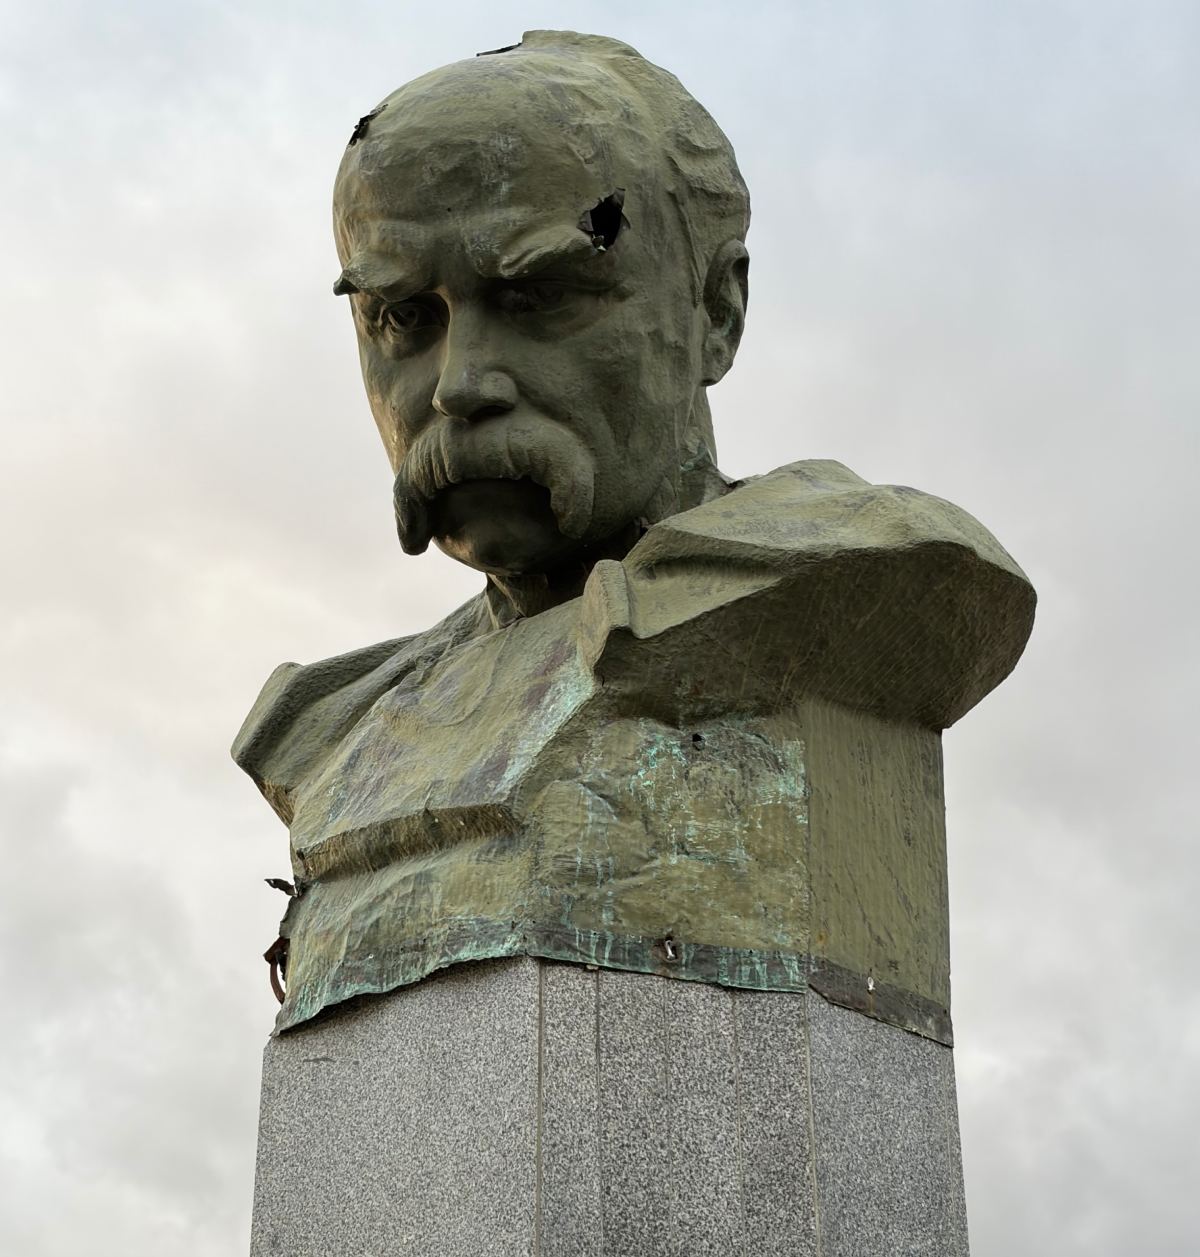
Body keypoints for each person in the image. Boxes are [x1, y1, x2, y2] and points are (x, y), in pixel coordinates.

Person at [234, 31, 1034, 1034]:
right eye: (402, 316)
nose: (458, 382)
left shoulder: (860, 579)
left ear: (716, 313)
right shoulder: (333, 728)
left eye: (538, 297)